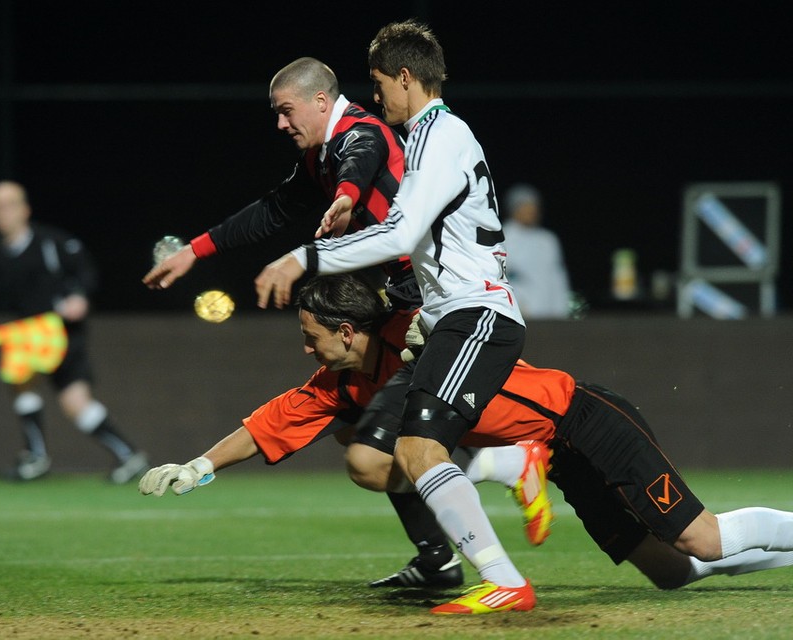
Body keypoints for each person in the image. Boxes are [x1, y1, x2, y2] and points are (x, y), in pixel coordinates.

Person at [140, 275, 793, 612]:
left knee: (701, 538)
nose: (305, 347)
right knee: (673, 573)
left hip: (582, 420)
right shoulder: (343, 382)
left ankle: (504, 511)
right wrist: (197, 466)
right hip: (555, 456)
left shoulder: (420, 330)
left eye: (311, 335)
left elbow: (451, 283)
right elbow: (271, 421)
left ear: (346, 329)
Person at [254, 21, 534, 614]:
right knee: (398, 450)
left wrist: (304, 258)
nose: (376, 97)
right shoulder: (432, 135)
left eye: (379, 84)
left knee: (415, 451)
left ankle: (505, 568)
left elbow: (400, 233)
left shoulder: (441, 134)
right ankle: (503, 496)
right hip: (451, 314)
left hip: (475, 313)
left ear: (405, 77)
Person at [142, 56, 415, 308]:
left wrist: (345, 196)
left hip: (435, 277)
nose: (281, 124)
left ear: (321, 101)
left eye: (287, 111)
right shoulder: (317, 158)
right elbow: (271, 212)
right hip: (407, 284)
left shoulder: (361, 130)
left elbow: (361, 155)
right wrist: (194, 250)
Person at [0, 181, 149, 484]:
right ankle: (40, 457)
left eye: (8, 204)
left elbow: (85, 269)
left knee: (74, 402)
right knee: (25, 385)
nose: (1, 212)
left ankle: (128, 456)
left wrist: (78, 296)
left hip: (60, 330)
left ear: (25, 209)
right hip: (27, 335)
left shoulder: (51, 242)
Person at [501, 184, 571, 319]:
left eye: (533, 207)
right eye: (525, 206)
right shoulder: (503, 237)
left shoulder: (547, 240)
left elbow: (557, 277)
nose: (531, 211)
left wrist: (562, 310)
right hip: (518, 314)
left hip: (550, 314)